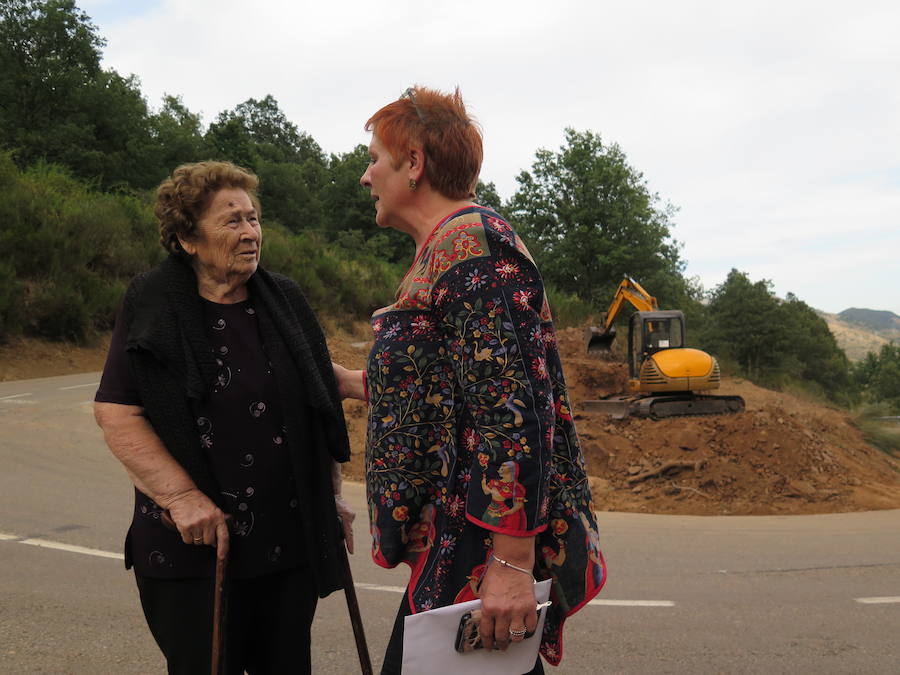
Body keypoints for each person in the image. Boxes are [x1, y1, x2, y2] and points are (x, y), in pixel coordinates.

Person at [332, 86, 606, 674]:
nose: (365, 176)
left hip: (478, 549)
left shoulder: (470, 248)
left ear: (414, 163)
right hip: (456, 547)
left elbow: (512, 412)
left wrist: (509, 562)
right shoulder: (445, 250)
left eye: (374, 157)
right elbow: (456, 390)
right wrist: (356, 383)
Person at [94, 161, 354, 674]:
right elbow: (118, 410)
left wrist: (332, 494)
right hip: (196, 548)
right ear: (188, 238)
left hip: (286, 547)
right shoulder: (153, 301)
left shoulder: (284, 299)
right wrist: (182, 497)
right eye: (232, 221)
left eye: (253, 219)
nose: (250, 232)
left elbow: (317, 398)